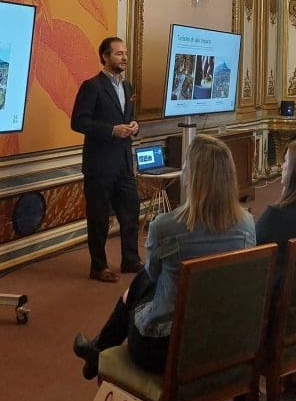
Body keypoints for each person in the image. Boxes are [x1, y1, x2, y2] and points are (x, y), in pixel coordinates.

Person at [72, 135, 255, 379]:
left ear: (191, 175)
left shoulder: (165, 226)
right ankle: (96, 350)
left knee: (141, 283)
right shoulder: (247, 224)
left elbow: (153, 276)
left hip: (166, 348)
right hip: (223, 341)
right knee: (141, 282)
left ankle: (97, 350)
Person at [70, 36, 141, 282]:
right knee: (99, 219)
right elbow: (79, 122)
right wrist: (111, 130)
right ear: (105, 57)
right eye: (119, 53)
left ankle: (131, 260)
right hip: (99, 166)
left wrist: (134, 126)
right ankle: (98, 267)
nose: (124, 58)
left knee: (131, 212)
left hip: (123, 162)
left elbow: (128, 117)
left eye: (125, 53)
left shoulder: (128, 87)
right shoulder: (92, 86)